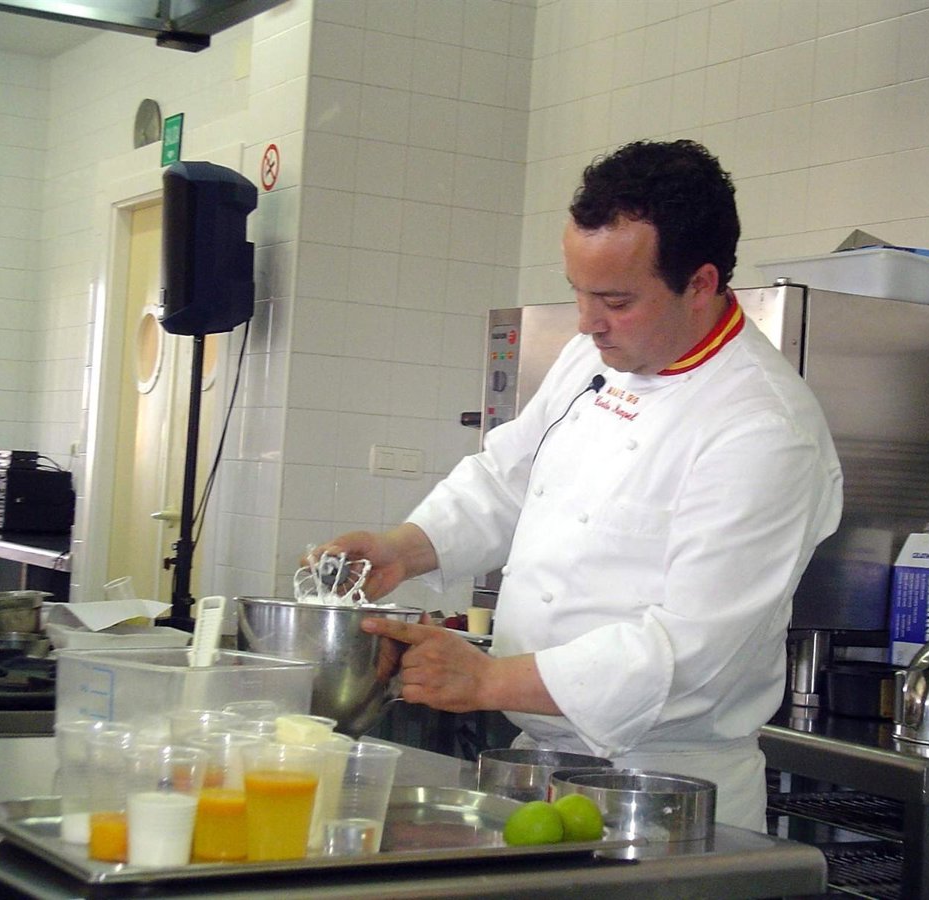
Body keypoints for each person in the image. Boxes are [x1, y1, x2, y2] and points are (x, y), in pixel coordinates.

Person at [311, 139, 842, 830]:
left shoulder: (762, 430)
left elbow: (691, 651)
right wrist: (402, 550)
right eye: (579, 292)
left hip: (667, 792)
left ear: (701, 284)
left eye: (615, 300)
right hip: (539, 766)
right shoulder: (592, 358)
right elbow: (507, 480)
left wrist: (488, 679)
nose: (588, 321)